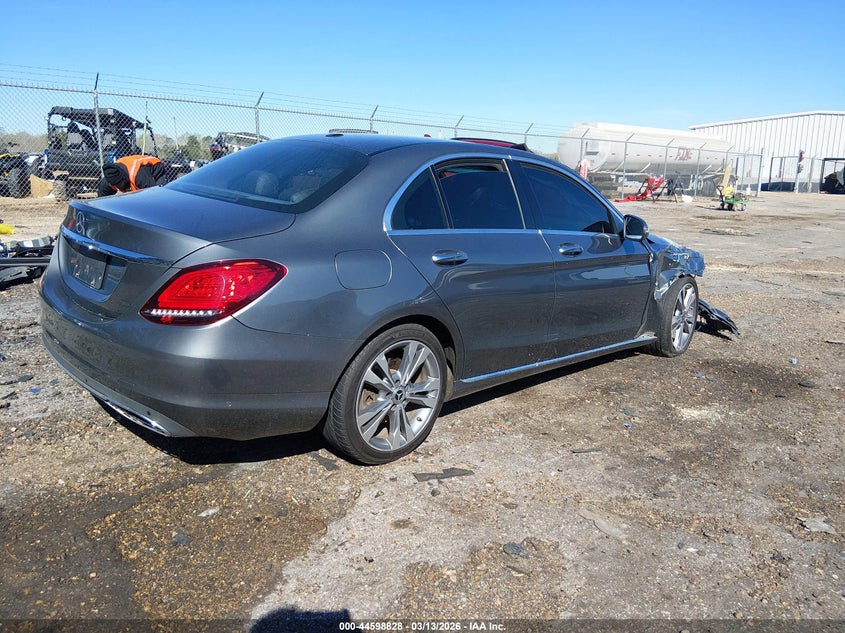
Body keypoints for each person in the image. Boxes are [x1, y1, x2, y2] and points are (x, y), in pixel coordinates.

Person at [97, 154, 170, 197]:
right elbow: (101, 200)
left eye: (119, 184)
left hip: (155, 166)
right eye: (116, 185)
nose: (118, 188)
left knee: (161, 195)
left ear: (123, 178)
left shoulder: (138, 176)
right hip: (130, 166)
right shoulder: (108, 180)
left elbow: (152, 196)